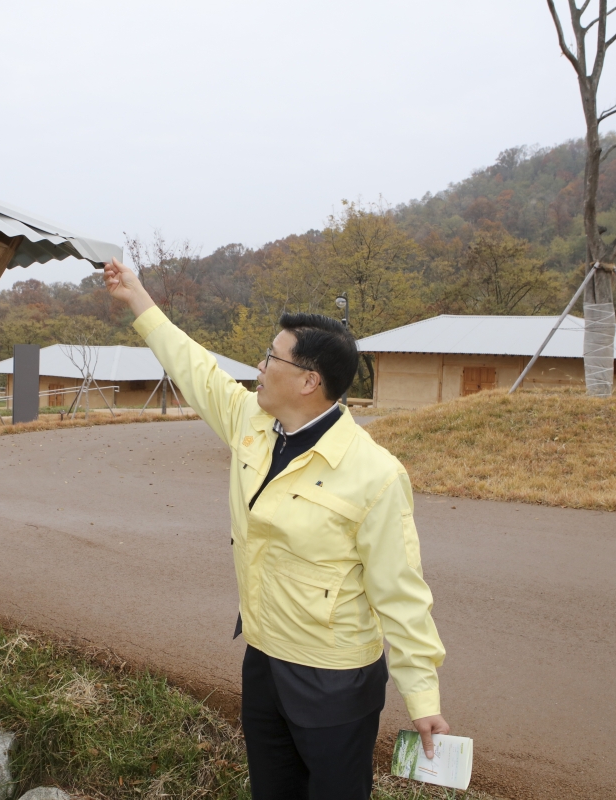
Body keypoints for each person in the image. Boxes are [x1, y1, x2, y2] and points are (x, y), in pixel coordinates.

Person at [103, 259, 447, 800]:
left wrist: (423, 698)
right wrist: (138, 300)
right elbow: (195, 369)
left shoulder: (374, 475)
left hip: (333, 679)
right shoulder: (254, 424)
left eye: (270, 357)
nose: (259, 367)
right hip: (263, 659)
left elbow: (401, 592)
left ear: (310, 380)